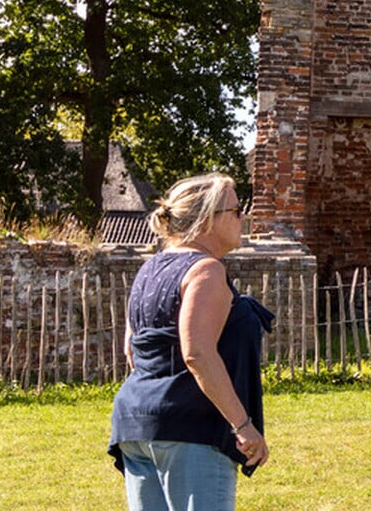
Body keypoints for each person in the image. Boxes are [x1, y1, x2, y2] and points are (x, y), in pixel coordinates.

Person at [109, 173, 272, 511]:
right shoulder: (205, 270)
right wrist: (243, 425)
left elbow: (131, 350)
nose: (244, 217)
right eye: (236, 210)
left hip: (136, 423)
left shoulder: (150, 269)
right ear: (206, 220)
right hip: (192, 429)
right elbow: (197, 353)